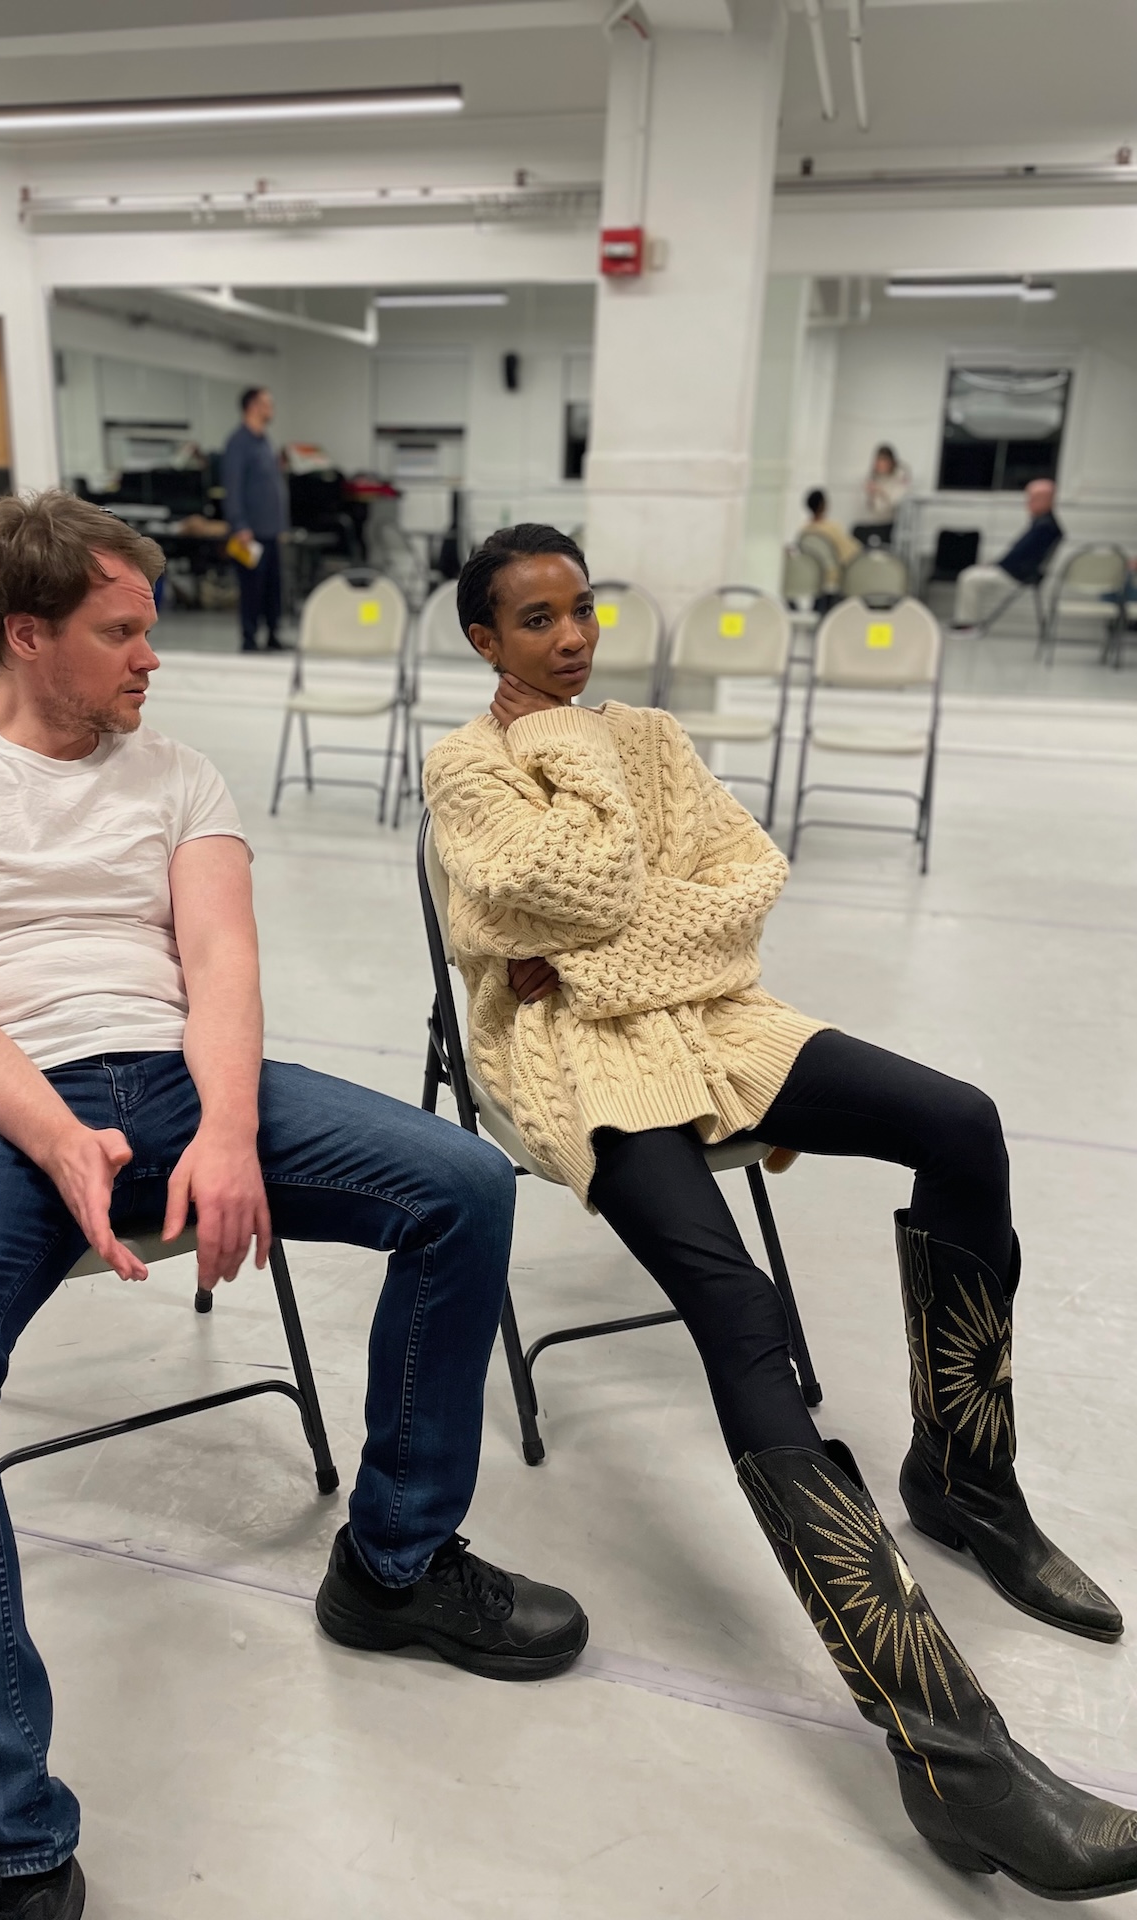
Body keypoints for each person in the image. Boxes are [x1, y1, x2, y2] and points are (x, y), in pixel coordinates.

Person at [0, 490, 585, 1920]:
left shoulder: (178, 776)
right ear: (27, 635)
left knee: (462, 1183)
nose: (152, 655)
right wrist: (59, 1141)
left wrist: (228, 1133)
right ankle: (5, 1836)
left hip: (189, 1080)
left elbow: (224, 966)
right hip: (10, 1110)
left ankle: (396, 1564)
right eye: (121, 632)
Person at [421, 522, 1137, 1903]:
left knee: (962, 1121)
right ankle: (956, 1763)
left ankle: (966, 1482)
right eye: (537, 620)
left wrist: (601, 950)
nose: (572, 638)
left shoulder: (651, 735)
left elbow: (741, 892)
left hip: (719, 1025)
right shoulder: (467, 767)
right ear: (483, 640)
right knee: (737, 1306)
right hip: (581, 1063)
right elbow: (515, 913)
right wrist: (593, 869)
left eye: (583, 608)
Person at [220, 386, 288, 652]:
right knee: (252, 586)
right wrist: (239, 524)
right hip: (250, 531)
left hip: (270, 529)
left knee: (273, 585)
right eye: (267, 403)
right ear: (253, 407)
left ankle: (273, 633)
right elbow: (233, 486)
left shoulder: (264, 441)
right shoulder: (239, 443)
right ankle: (249, 637)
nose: (271, 409)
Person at [952, 478, 1063, 630]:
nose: (1028, 503)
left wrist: (996, 565)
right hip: (1018, 571)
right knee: (972, 575)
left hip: (1017, 575)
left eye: (1033, 499)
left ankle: (967, 623)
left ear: (1047, 500)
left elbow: (1019, 554)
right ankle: (969, 621)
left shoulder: (1044, 527)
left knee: (969, 578)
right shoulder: (1044, 524)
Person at [800, 488, 859, 597]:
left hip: (813, 577)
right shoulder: (831, 528)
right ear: (823, 505)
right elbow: (851, 554)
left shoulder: (804, 532)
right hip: (833, 576)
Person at [853, 443, 910, 547]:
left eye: (883, 461)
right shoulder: (872, 477)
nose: (879, 464)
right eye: (878, 461)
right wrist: (869, 494)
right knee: (856, 532)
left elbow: (896, 502)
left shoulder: (899, 477)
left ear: (890, 463)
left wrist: (881, 491)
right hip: (872, 520)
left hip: (889, 522)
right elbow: (864, 504)